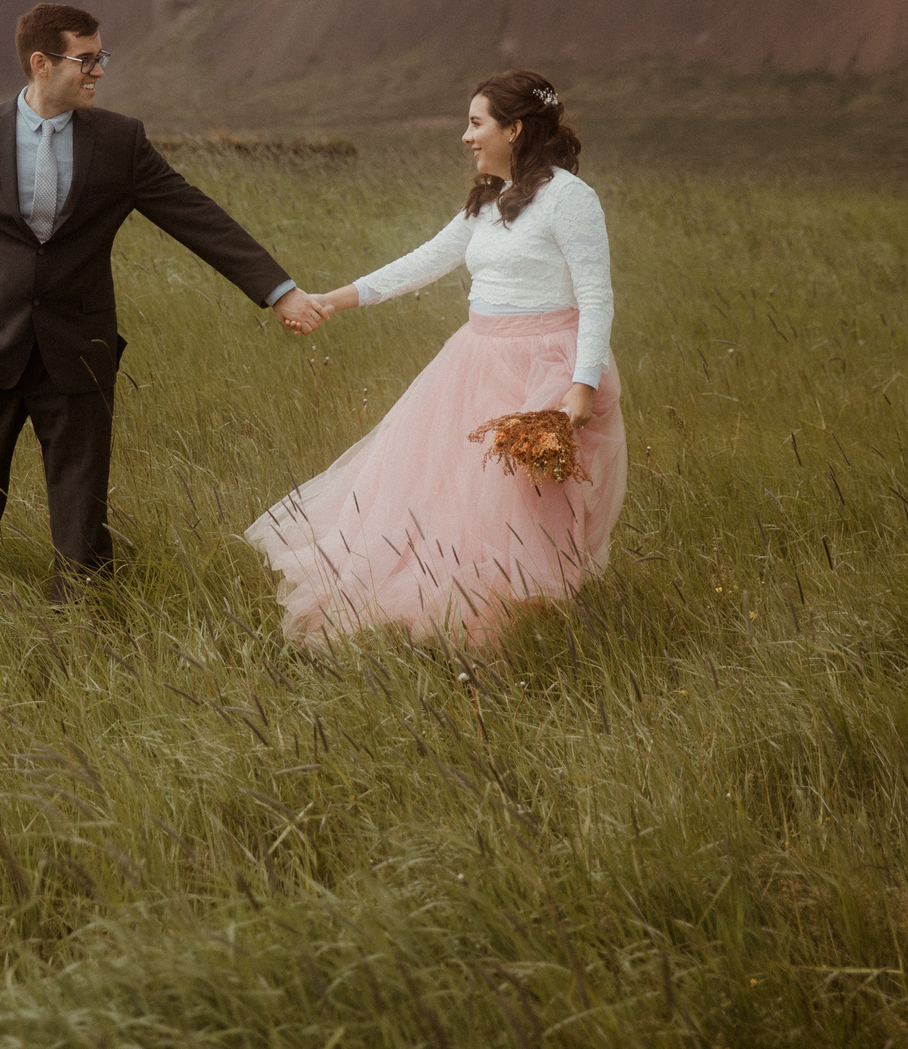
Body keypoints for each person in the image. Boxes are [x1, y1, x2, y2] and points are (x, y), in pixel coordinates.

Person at [0, 3, 328, 600]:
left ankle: (77, 626)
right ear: (41, 63)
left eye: (100, 58)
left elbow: (196, 216)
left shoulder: (120, 140)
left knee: (81, 521)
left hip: (78, 352)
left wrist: (278, 292)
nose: (99, 71)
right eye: (87, 59)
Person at [245, 69, 626, 646]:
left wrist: (583, 383)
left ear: (515, 129)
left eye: (477, 123)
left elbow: (596, 295)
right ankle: (455, 624)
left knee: (516, 508)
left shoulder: (570, 201)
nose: (466, 137)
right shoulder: (492, 199)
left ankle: (510, 637)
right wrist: (334, 300)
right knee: (452, 500)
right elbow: (422, 262)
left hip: (543, 370)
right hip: (474, 361)